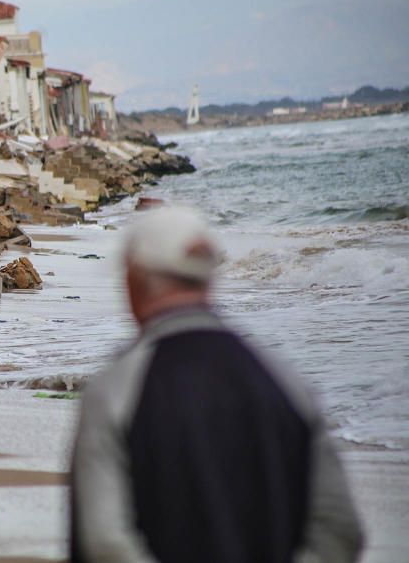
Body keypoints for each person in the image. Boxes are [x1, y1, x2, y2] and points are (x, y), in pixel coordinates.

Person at [69, 205, 364, 563]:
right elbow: (340, 530)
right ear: (208, 279)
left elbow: (105, 543)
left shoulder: (116, 391)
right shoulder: (286, 382)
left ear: (134, 281)